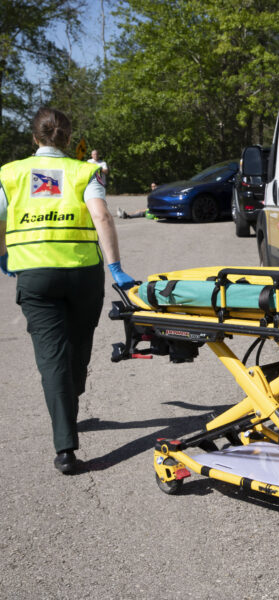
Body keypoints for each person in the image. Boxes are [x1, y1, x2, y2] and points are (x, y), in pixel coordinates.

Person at [0, 107, 136, 475]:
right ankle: (70, 399)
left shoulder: (10, 173)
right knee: (77, 347)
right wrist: (116, 268)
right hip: (82, 274)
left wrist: (3, 257)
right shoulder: (83, 171)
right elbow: (102, 216)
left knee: (51, 358)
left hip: (35, 275)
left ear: (34, 138)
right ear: (71, 138)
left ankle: (65, 446)